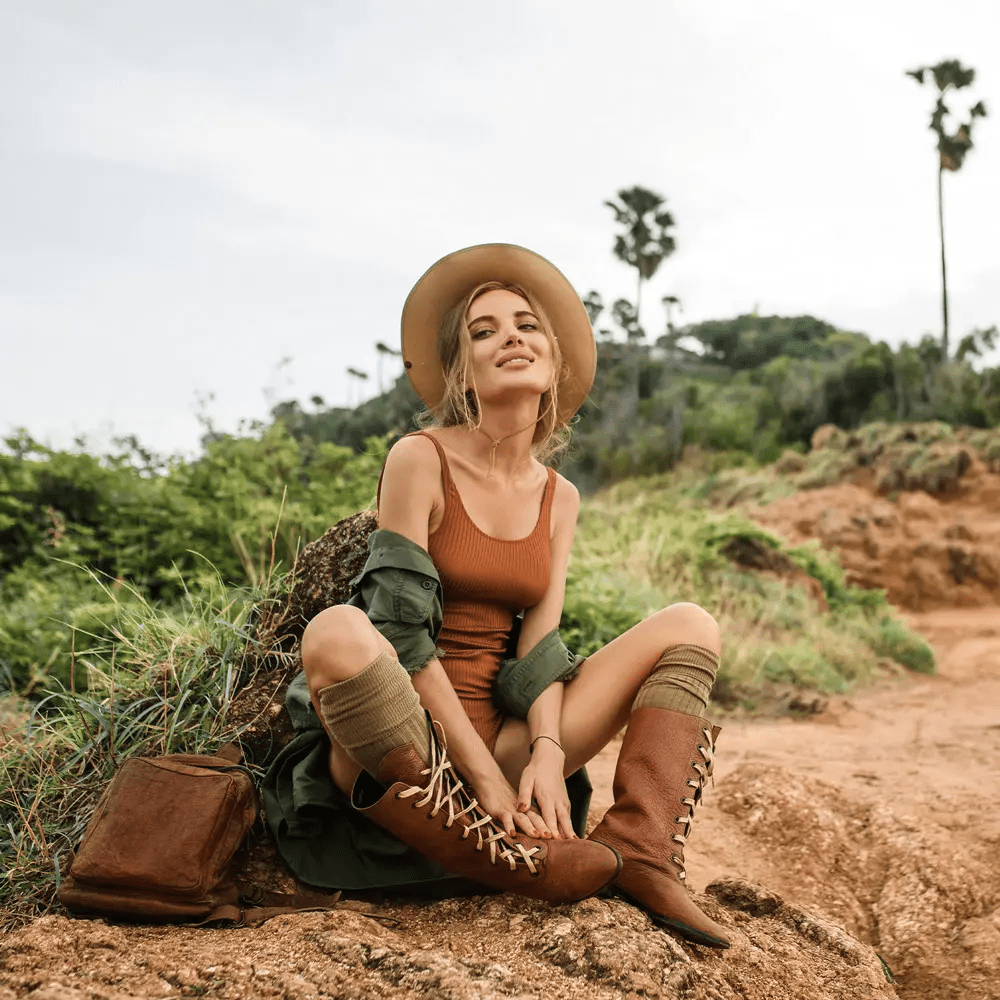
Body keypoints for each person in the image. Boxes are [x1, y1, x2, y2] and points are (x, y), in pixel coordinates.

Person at [263, 244, 729, 948]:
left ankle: (641, 851)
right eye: (484, 331)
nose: (509, 335)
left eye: (526, 324)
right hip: (406, 739)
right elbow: (401, 635)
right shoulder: (419, 458)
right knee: (337, 632)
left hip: (504, 735)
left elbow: (539, 649)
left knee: (690, 623)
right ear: (464, 371)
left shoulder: (560, 497)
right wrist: (481, 779)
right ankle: (494, 855)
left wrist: (544, 753)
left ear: (552, 361)